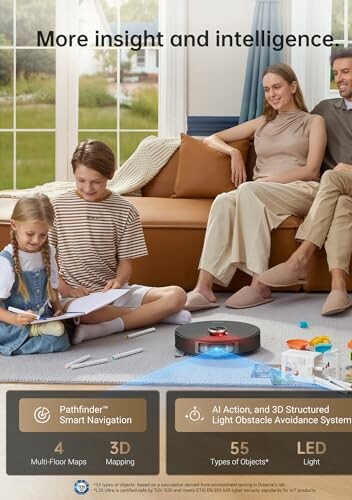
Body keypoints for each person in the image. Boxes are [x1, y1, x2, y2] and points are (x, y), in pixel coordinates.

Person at [185, 63, 327, 311]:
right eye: (267, 89)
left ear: (292, 87)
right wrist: (233, 153)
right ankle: (203, 288)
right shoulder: (262, 122)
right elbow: (212, 139)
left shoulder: (313, 122)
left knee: (249, 191)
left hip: (301, 190)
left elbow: (312, 170)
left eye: (277, 87)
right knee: (222, 201)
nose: (272, 94)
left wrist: (265, 182)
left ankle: (260, 284)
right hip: (261, 193)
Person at [257, 48, 352, 316]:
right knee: (342, 204)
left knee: (332, 176)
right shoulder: (325, 109)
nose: (340, 78)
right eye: (336, 73)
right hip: (339, 192)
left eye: (346, 71)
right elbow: (296, 128)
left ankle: (300, 258)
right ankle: (338, 288)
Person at [49, 140, 190, 345]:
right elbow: (48, 259)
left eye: (96, 182)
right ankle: (157, 315)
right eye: (81, 180)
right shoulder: (57, 207)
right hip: (77, 297)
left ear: (111, 175)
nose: (87, 188)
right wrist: (65, 289)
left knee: (177, 295)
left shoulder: (125, 210)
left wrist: (118, 282)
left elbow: (126, 263)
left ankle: (106, 328)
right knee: (82, 314)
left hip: (113, 293)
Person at [0, 194, 70, 356]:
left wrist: (58, 309)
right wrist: (14, 319)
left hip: (41, 317)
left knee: (62, 340)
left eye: (43, 235)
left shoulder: (49, 251)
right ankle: (33, 332)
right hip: (12, 321)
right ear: (14, 225)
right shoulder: (6, 261)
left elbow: (52, 289)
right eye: (30, 234)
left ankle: (36, 331)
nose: (36, 240)